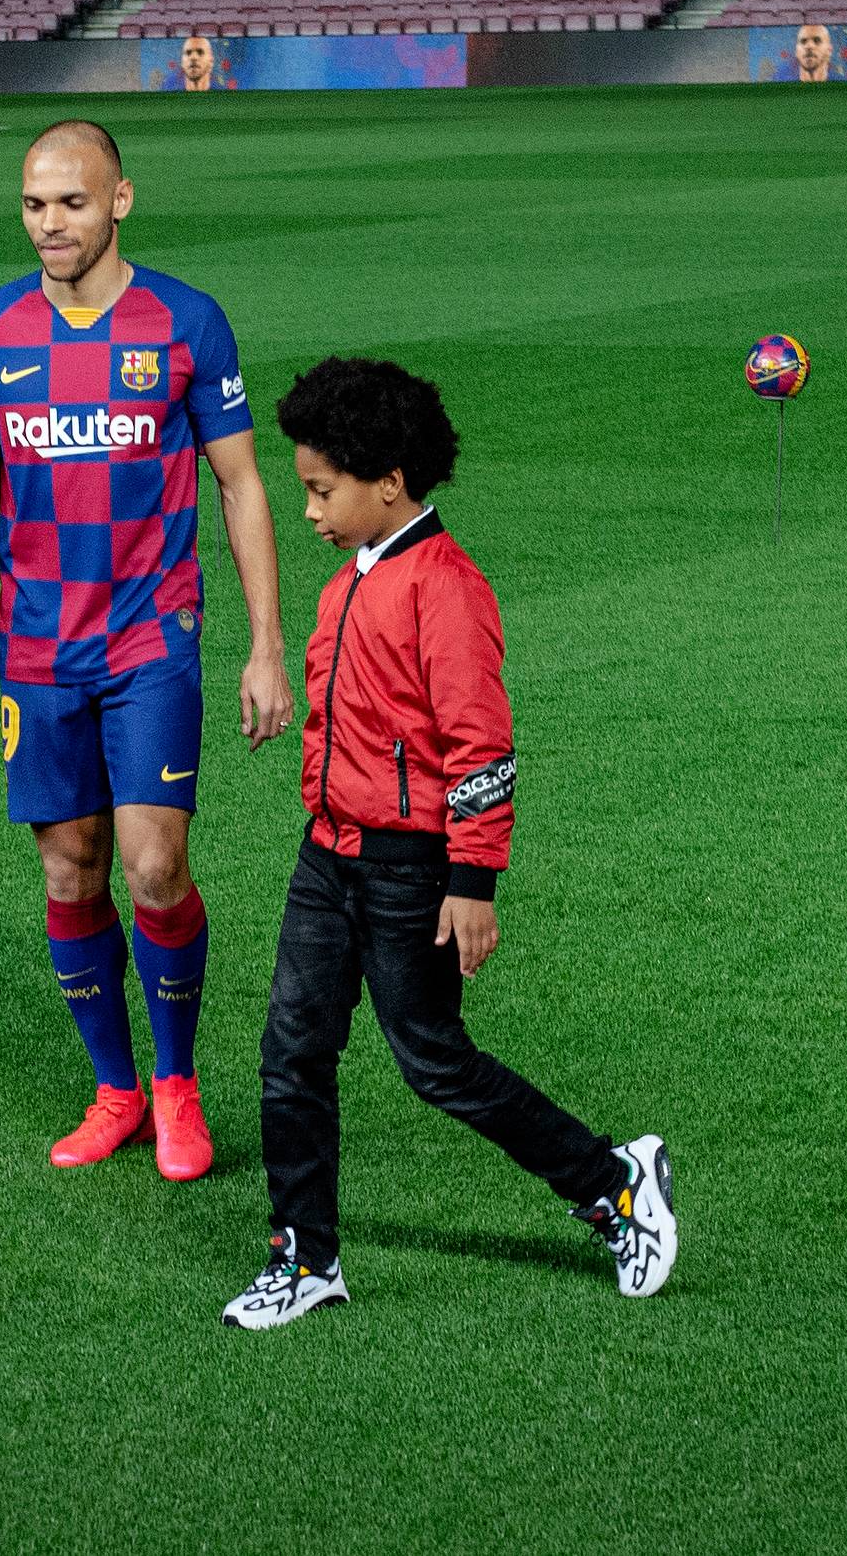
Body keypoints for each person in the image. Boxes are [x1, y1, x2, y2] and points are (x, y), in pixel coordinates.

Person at [220, 357, 676, 1331]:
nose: (307, 511)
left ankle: (614, 1182)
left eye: (320, 490)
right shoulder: (351, 581)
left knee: (431, 1060)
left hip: (410, 870)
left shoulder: (448, 590)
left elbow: (481, 747)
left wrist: (471, 881)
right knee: (289, 1055)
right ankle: (305, 1261)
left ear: (389, 480)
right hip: (327, 857)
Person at [0, 119, 292, 1182]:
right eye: (33, 204)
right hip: (35, 650)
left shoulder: (185, 323)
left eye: (71, 203)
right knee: (71, 872)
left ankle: (175, 1086)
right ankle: (114, 1087)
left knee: (153, 867)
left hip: (150, 642)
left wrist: (266, 645)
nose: (48, 223)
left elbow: (242, 482)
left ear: (119, 200)